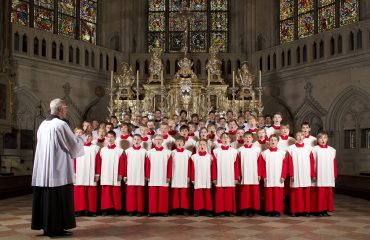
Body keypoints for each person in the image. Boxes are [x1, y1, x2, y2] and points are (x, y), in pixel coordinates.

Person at [32, 98, 84, 237]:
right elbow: (73, 144)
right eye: (66, 107)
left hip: (44, 168)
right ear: (60, 108)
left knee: (47, 197)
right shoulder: (60, 124)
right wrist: (81, 139)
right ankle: (55, 228)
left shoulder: (43, 124)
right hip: (58, 168)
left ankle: (48, 227)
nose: (66, 110)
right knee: (58, 197)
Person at [97, 131, 125, 216]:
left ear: (115, 138)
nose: (110, 138)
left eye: (112, 137)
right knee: (106, 192)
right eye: (108, 137)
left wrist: (120, 174)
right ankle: (105, 209)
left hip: (116, 174)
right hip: (105, 173)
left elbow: (122, 163)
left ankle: (117, 209)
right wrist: (98, 174)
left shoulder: (119, 150)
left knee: (116, 192)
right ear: (106, 138)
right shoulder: (102, 150)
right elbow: (99, 162)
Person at [287, 131, 315, 217]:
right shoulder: (291, 148)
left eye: (301, 135)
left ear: (304, 137)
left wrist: (312, 174)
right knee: (295, 192)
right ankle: (294, 210)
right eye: (298, 135)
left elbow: (311, 161)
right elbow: (290, 162)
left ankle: (306, 210)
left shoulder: (309, 148)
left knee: (305, 192)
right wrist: (291, 174)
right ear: (295, 137)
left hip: (306, 173)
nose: (300, 137)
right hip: (295, 173)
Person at [212, 133, 240, 216]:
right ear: (220, 140)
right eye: (223, 138)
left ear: (229, 140)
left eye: (226, 138)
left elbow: (236, 165)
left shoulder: (234, 151)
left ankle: (229, 210)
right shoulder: (216, 151)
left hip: (230, 175)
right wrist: (214, 177)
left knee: (229, 193)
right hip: (219, 175)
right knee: (220, 193)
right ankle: (220, 210)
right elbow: (213, 165)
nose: (225, 139)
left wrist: (236, 177)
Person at [260, 134, 287, 217]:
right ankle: (269, 210)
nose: (273, 141)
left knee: (278, 194)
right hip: (268, 176)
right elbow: (262, 166)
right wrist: (264, 176)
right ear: (269, 141)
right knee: (269, 194)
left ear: (277, 142)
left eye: (275, 140)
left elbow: (285, 165)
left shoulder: (282, 153)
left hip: (278, 176)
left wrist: (283, 176)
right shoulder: (264, 153)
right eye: (271, 140)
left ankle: (277, 210)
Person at [74, 132, 100, 217]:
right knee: (79, 191)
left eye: (89, 136)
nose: (87, 138)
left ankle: (91, 210)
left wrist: (97, 174)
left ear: (92, 138)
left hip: (91, 172)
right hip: (79, 172)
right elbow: (73, 160)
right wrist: (74, 172)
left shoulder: (96, 148)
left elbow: (98, 161)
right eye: (85, 136)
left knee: (91, 191)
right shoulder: (77, 147)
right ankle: (79, 210)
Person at [145, 134, 173, 216]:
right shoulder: (149, 152)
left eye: (160, 139)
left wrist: (168, 176)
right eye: (156, 139)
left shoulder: (168, 152)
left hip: (163, 175)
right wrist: (147, 176)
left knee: (163, 194)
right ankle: (152, 211)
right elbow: (147, 165)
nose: (158, 141)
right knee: (153, 194)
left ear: (163, 141)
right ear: (153, 140)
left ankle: (163, 211)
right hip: (152, 175)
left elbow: (170, 165)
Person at [312, 132, 337, 216]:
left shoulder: (332, 150)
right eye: (321, 138)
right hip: (318, 174)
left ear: (327, 139)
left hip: (328, 175)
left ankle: (325, 210)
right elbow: (312, 163)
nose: (323, 140)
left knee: (327, 193)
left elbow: (334, 164)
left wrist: (334, 175)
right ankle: (318, 210)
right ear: (317, 140)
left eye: (325, 138)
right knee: (319, 193)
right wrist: (313, 174)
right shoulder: (314, 149)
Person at [238, 132, 262, 217]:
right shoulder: (240, 150)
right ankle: (244, 209)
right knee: (245, 192)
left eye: (249, 137)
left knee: (253, 192)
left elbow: (260, 163)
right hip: (244, 173)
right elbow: (237, 163)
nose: (248, 139)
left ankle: (252, 209)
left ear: (252, 139)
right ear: (243, 139)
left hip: (254, 173)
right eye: (246, 137)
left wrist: (259, 174)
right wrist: (238, 174)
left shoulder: (257, 150)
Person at [124, 134, 147, 217]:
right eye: (135, 139)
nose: (136, 141)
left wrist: (146, 176)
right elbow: (125, 164)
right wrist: (125, 175)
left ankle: (139, 210)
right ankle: (131, 210)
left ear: (141, 141)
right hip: (131, 174)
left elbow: (146, 165)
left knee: (140, 193)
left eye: (138, 139)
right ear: (132, 141)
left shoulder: (144, 151)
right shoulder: (128, 151)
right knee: (131, 193)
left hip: (141, 174)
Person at [190, 139, 214, 217]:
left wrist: (213, 178)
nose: (202, 146)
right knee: (198, 194)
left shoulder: (210, 157)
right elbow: (192, 169)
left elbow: (213, 168)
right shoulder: (194, 157)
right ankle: (197, 210)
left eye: (204, 145)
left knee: (207, 194)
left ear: (206, 146)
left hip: (207, 177)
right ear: (198, 146)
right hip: (198, 177)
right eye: (200, 145)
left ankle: (208, 210)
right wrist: (192, 178)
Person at [170, 136, 193, 215]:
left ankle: (185, 209)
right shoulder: (172, 153)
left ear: (184, 143)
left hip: (185, 174)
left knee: (184, 192)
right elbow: (170, 165)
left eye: (180, 141)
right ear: (175, 143)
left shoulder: (188, 153)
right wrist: (170, 176)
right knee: (175, 192)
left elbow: (190, 166)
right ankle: (175, 209)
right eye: (177, 141)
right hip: (175, 174)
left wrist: (189, 176)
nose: (179, 143)